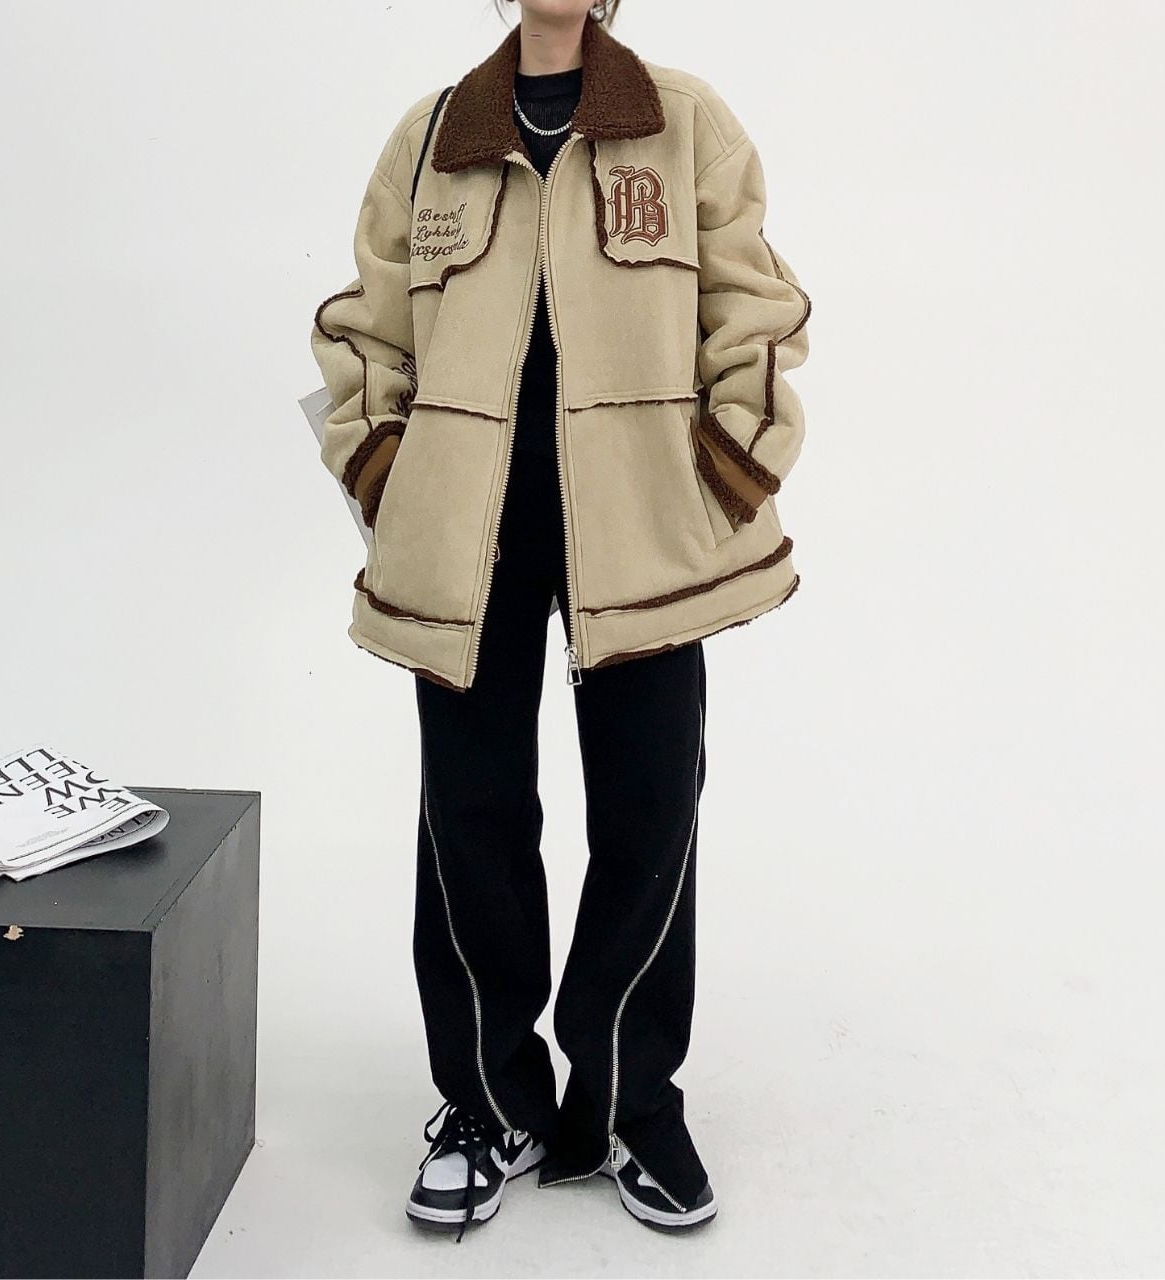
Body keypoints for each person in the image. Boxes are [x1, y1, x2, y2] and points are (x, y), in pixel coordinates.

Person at [309, 0, 811, 1240]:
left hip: (641, 531)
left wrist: (721, 472)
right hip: (466, 537)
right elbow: (365, 329)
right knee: (469, 818)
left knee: (649, 813)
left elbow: (755, 309)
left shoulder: (682, 122)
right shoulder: (432, 136)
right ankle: (489, 1104)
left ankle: (632, 1098)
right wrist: (386, 474)